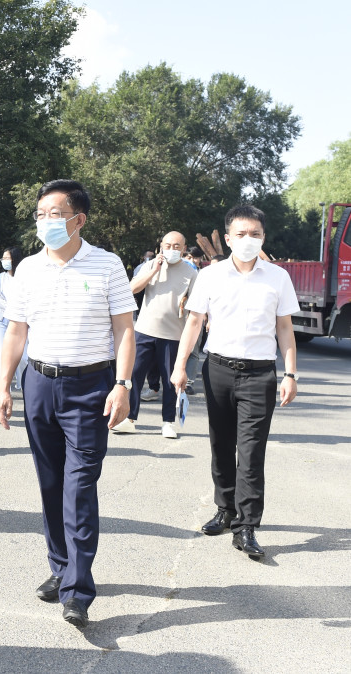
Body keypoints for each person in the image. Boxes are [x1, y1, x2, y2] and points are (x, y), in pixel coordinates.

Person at [0, 179, 136, 629]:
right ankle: (60, 567)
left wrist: (123, 385)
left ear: (79, 220)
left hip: (90, 387)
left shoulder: (107, 264)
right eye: (40, 215)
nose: (46, 222)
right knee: (51, 482)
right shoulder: (28, 269)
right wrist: (3, 387)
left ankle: (77, 590)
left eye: (55, 214)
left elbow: (124, 329)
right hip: (39, 384)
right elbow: (16, 331)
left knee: (79, 487)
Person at [171, 204, 299, 560]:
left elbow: (284, 328)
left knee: (252, 452)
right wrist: (180, 366)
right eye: (241, 234)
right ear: (227, 238)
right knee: (221, 446)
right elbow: (194, 322)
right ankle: (225, 510)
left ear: (263, 237)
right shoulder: (210, 276)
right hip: (218, 371)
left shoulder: (278, 277)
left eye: (255, 234)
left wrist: (290, 373)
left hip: (259, 374)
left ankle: (246, 526)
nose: (248, 240)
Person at [113, 231, 198, 439]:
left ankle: (168, 422)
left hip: (173, 334)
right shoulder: (150, 265)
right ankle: (129, 419)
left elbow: (195, 305)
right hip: (144, 330)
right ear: (161, 246)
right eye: (168, 245)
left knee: (170, 380)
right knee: (134, 375)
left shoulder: (191, 272)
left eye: (177, 246)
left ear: (184, 248)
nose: (172, 250)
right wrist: (154, 271)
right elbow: (132, 289)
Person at [0, 246, 27, 398]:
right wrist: (12, 309)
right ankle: (0, 390)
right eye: (3, 258)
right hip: (2, 320)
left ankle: (24, 384)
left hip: (21, 321)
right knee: (0, 355)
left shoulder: (24, 277)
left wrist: (17, 311)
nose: (4, 261)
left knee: (23, 356)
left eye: (7, 258)